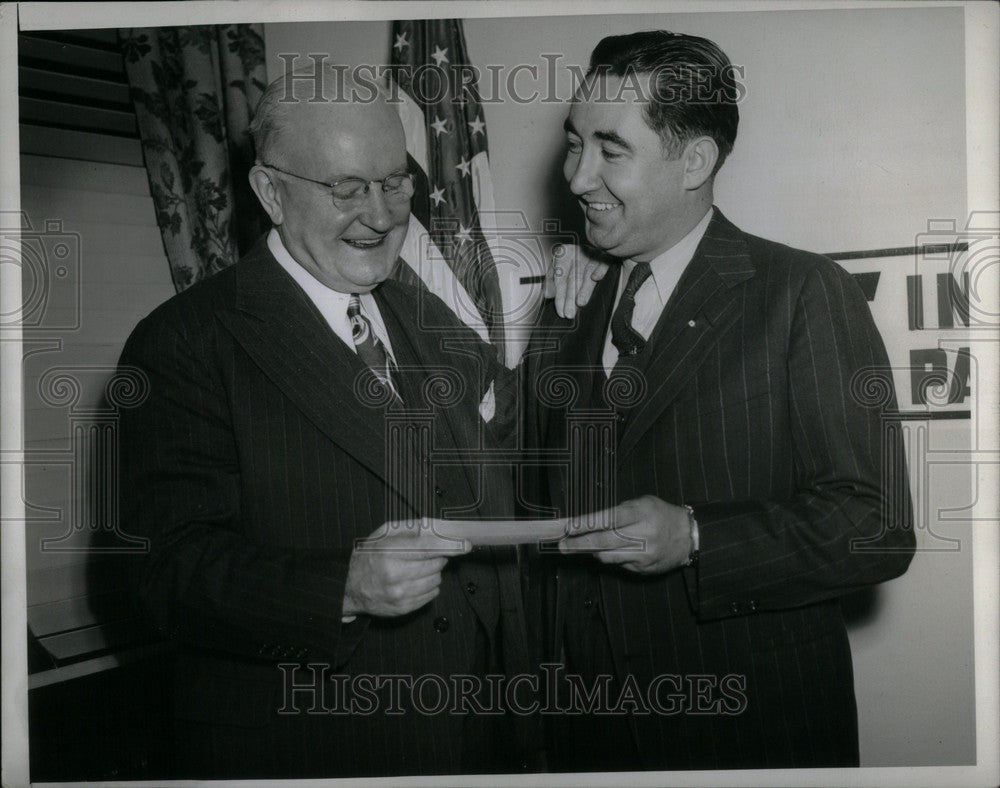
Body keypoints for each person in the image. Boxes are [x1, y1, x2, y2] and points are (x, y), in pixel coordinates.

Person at [117, 69, 538, 778]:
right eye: (346, 189)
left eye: (394, 182)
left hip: (480, 728)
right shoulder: (185, 342)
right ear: (270, 193)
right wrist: (341, 585)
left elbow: (518, 469)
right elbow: (162, 570)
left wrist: (572, 302)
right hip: (315, 740)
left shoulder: (442, 327)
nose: (380, 215)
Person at [523, 30, 916, 771]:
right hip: (588, 740)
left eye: (611, 151)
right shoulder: (566, 304)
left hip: (752, 734)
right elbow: (529, 511)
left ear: (695, 161)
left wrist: (697, 538)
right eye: (575, 144)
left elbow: (877, 525)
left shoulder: (800, 293)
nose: (577, 177)